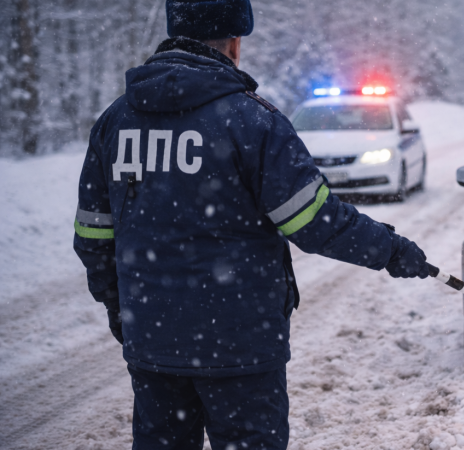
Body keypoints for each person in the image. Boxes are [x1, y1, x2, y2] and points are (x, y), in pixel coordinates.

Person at [72, 1, 428, 448]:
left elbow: (92, 235)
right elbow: (315, 222)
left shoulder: (116, 120)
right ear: (234, 44)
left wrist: (119, 306)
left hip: (153, 342)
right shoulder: (253, 121)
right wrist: (392, 250)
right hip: (240, 346)